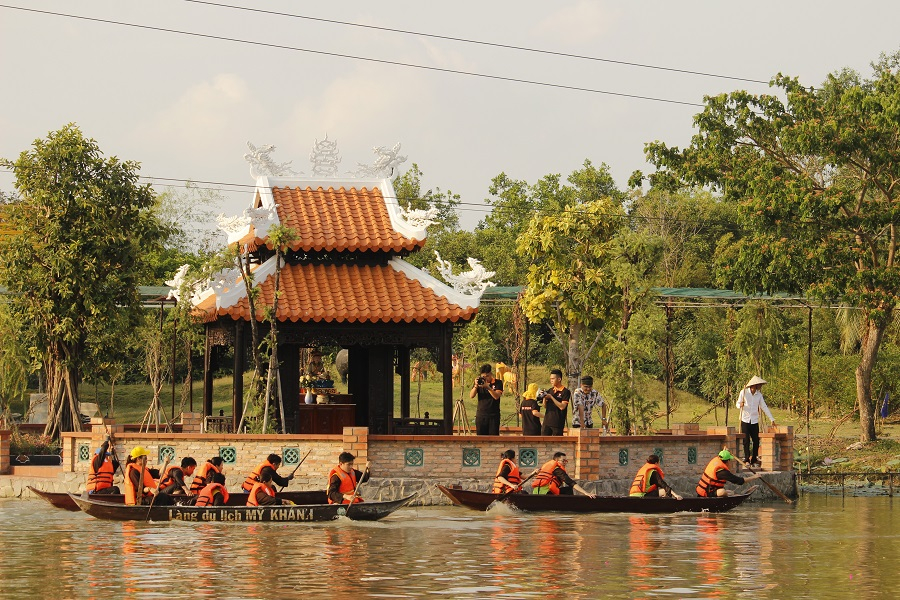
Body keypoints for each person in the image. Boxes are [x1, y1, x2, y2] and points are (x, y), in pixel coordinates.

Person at [736, 376, 776, 467]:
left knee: (756, 440)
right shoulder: (744, 392)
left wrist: (772, 419)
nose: (760, 386)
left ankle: (754, 459)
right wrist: (740, 405)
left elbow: (764, 407)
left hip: (754, 420)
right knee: (746, 440)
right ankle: (746, 459)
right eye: (759, 385)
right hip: (745, 419)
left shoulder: (759, 395)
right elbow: (737, 404)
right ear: (754, 385)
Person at [470, 364, 503, 435]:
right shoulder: (479, 383)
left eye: (487, 376)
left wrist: (488, 387)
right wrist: (476, 386)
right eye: (483, 377)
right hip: (481, 415)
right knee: (480, 438)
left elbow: (496, 396)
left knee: (493, 439)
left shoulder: (498, 383)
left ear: (491, 374)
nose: (486, 378)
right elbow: (471, 395)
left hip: (493, 415)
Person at [540, 369, 570, 436]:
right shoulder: (550, 390)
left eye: (553, 378)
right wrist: (544, 397)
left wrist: (551, 397)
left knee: (556, 444)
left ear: (559, 379)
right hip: (547, 422)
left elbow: (562, 407)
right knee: (543, 443)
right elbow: (545, 406)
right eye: (550, 379)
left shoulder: (565, 391)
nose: (551, 380)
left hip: (557, 423)